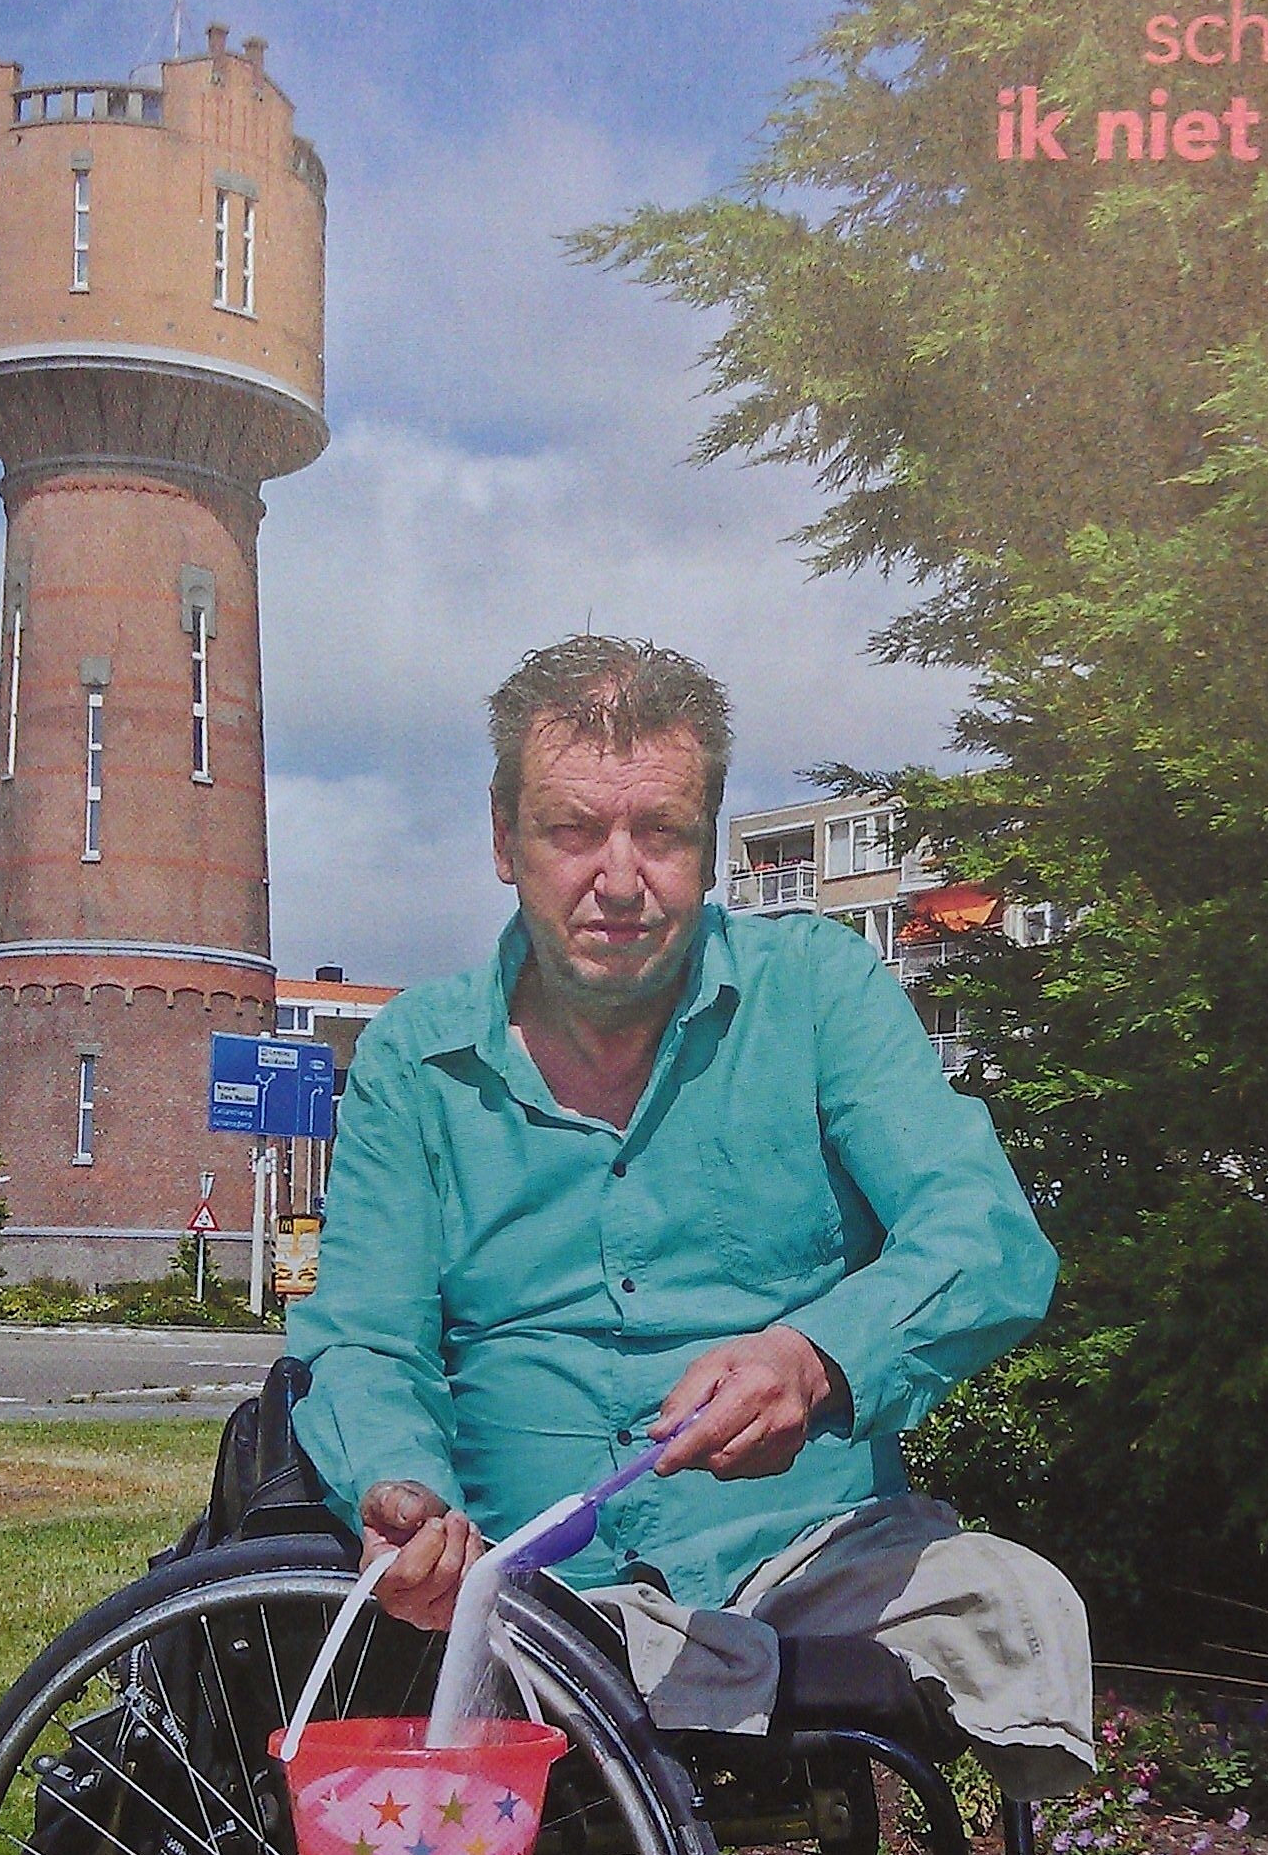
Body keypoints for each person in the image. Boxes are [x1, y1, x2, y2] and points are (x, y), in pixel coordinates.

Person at [288, 635, 1093, 1792]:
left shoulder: (816, 992)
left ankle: (690, 1677)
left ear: (708, 848)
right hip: (518, 1589)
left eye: (659, 833)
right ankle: (643, 1673)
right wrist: (403, 1497)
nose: (619, 880)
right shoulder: (416, 1059)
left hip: (812, 1571)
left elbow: (986, 1237)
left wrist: (812, 1359)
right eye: (573, 831)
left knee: (1016, 1607)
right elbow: (368, 1343)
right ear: (503, 839)